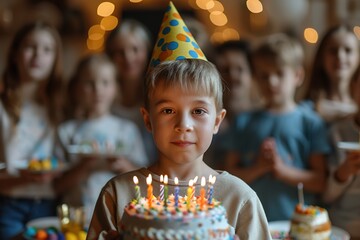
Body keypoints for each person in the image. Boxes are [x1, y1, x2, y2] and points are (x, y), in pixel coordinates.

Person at [87, 3, 271, 239]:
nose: (183, 124)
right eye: (167, 110)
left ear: (217, 121)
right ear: (147, 119)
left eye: (198, 111)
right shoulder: (118, 194)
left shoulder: (239, 199)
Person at [223, 34, 331, 221]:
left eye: (279, 74)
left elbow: (320, 181)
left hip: (298, 224)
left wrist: (281, 170)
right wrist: (260, 167)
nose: (271, 82)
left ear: (297, 76)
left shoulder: (311, 123)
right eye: (264, 76)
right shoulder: (243, 122)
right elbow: (228, 176)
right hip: (250, 222)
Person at [53, 53, 149, 225]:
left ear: (115, 88)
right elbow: (56, 186)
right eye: (89, 83)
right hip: (76, 221)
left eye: (105, 82)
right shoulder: (66, 131)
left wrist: (123, 165)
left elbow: (144, 180)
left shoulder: (126, 130)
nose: (98, 90)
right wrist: (85, 166)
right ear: (77, 88)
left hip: (119, 220)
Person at [0, 21, 65, 239]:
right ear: (16, 53)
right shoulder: (2, 107)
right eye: (30, 47)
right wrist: (23, 179)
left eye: (47, 49)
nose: (38, 55)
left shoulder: (58, 107)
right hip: (8, 204)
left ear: (55, 58)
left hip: (47, 205)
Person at [105, 19, 157, 164]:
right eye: (120, 52)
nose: (128, 58)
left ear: (147, 52)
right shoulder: (101, 94)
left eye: (135, 49)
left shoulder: (158, 93)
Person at [204, 40, 263, 169]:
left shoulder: (262, 120)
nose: (232, 75)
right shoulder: (205, 120)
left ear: (252, 74)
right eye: (225, 69)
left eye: (240, 69)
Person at [323, 67, 360, 239]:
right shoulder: (338, 132)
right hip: (343, 228)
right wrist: (344, 172)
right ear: (353, 85)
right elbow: (327, 195)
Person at [303, 24, 359, 123]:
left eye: (348, 50)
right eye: (333, 51)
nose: (340, 56)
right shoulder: (306, 109)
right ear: (321, 57)